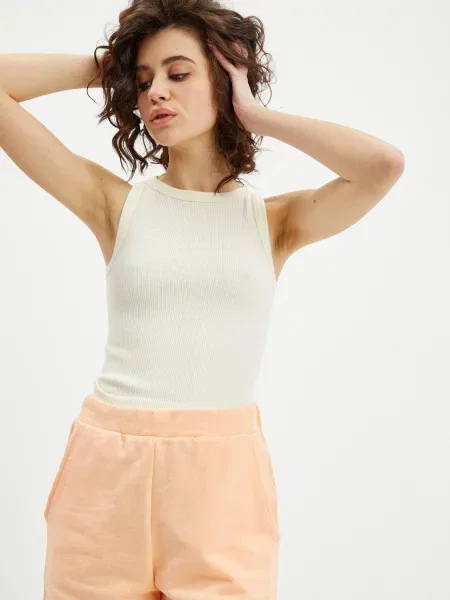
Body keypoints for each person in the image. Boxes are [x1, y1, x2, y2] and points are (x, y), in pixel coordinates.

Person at [0, 1, 404, 598]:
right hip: (107, 475)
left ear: (223, 79)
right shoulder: (116, 205)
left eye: (179, 73)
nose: (156, 93)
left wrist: (258, 115)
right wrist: (111, 64)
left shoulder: (275, 222)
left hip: (221, 485)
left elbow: (382, 166)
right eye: (144, 82)